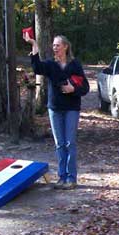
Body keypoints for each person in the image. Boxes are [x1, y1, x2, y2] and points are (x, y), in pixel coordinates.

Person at [24, 33, 89, 190]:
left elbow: (85, 87)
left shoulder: (75, 65)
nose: (55, 48)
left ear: (65, 47)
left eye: (58, 45)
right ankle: (62, 178)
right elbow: (37, 67)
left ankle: (71, 178)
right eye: (53, 45)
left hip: (71, 108)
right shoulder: (51, 65)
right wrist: (34, 45)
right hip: (55, 108)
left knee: (70, 143)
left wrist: (73, 88)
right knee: (59, 144)